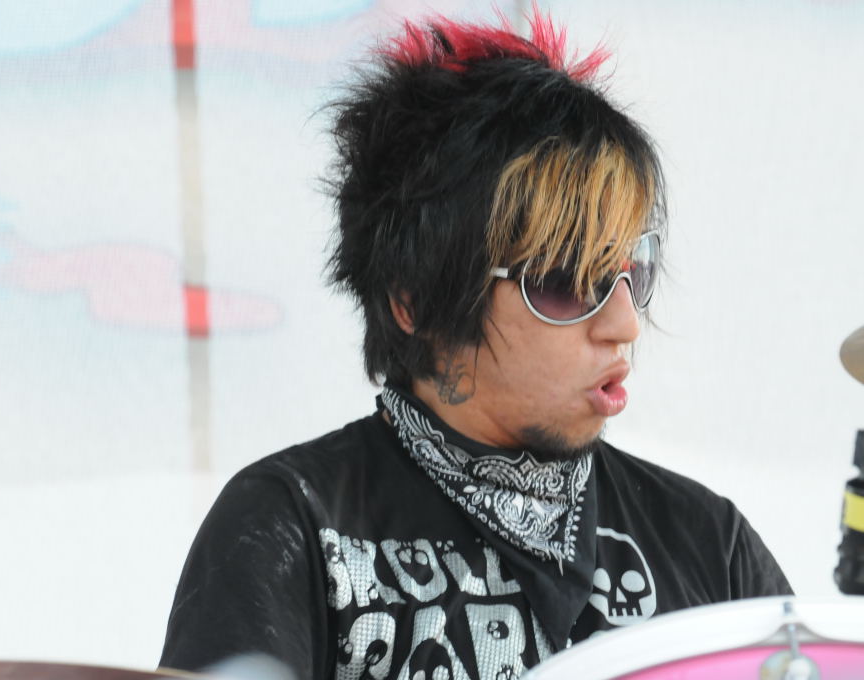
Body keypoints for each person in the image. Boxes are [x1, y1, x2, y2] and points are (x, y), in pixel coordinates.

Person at [159, 11, 791, 679]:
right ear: (414, 300)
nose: (624, 325)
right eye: (565, 280)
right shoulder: (292, 524)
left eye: (632, 272)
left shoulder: (707, 542)